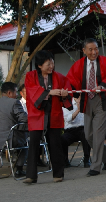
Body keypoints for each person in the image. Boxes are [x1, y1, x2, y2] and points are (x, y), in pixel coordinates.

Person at [67, 38, 106, 177]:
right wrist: (72, 93)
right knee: (88, 134)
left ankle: (95, 166)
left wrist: (101, 86)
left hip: (102, 100)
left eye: (96, 48)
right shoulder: (78, 65)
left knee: (98, 133)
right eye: (90, 49)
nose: (94, 52)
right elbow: (71, 80)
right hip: (86, 101)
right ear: (84, 50)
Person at [24, 50, 73, 184]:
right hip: (37, 115)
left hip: (54, 113)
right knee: (34, 143)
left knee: (55, 144)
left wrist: (64, 94)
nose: (51, 66)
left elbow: (68, 92)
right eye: (48, 63)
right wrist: (50, 92)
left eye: (52, 63)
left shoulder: (59, 77)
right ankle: (31, 176)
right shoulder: (30, 76)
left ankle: (58, 174)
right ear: (39, 65)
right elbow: (31, 91)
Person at [0, 82, 28, 178]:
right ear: (9, 93)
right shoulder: (15, 102)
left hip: (1, 140)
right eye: (15, 92)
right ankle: (19, 169)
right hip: (11, 139)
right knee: (26, 143)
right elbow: (24, 118)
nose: (16, 95)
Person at [19, 84, 48, 168]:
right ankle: (32, 160)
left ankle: (38, 159)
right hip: (25, 129)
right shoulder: (19, 104)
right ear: (21, 93)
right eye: (26, 92)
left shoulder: (34, 102)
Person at [61, 96, 91, 168]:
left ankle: (86, 159)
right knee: (62, 139)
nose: (80, 99)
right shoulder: (67, 104)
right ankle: (65, 161)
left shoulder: (85, 104)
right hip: (70, 130)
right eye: (79, 97)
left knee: (86, 134)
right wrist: (78, 110)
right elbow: (68, 119)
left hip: (82, 128)